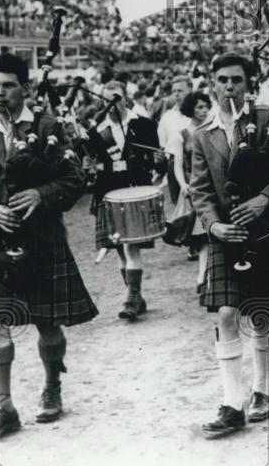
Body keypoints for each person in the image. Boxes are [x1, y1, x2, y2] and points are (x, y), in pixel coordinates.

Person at [0, 53, 97, 440]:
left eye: (9, 85)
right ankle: (3, 408)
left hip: (42, 239)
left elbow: (74, 178)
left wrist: (42, 193)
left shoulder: (48, 126)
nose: (1, 92)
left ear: (26, 88)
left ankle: (52, 386)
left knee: (47, 323)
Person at [191, 54, 269, 439]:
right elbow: (200, 190)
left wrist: (265, 200)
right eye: (222, 80)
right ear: (212, 83)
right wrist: (214, 225)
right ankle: (231, 402)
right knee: (225, 313)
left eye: (237, 79)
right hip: (227, 233)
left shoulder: (268, 120)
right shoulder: (202, 133)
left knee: (260, 312)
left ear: (247, 83)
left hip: (264, 226)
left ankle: (261, 391)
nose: (229, 86)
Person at [85, 80, 163, 320]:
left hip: (135, 192)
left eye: (116, 98)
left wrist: (159, 162)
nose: (111, 104)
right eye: (106, 99)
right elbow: (90, 165)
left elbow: (156, 160)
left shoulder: (144, 125)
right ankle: (135, 296)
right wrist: (88, 167)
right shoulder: (95, 130)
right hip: (108, 194)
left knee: (130, 247)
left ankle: (131, 297)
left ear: (126, 99)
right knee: (120, 250)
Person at [168, 90, 212, 273]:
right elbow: (177, 164)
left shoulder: (211, 129)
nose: (204, 110)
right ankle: (203, 274)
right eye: (200, 107)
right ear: (190, 109)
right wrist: (183, 185)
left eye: (206, 106)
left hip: (213, 183)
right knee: (201, 233)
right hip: (194, 185)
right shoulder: (181, 134)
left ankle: (206, 274)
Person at [156, 76, 192, 204]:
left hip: (196, 162)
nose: (176, 94)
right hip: (174, 164)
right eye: (174, 91)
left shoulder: (199, 114)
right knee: (180, 208)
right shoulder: (167, 117)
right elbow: (162, 143)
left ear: (190, 91)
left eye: (180, 90)